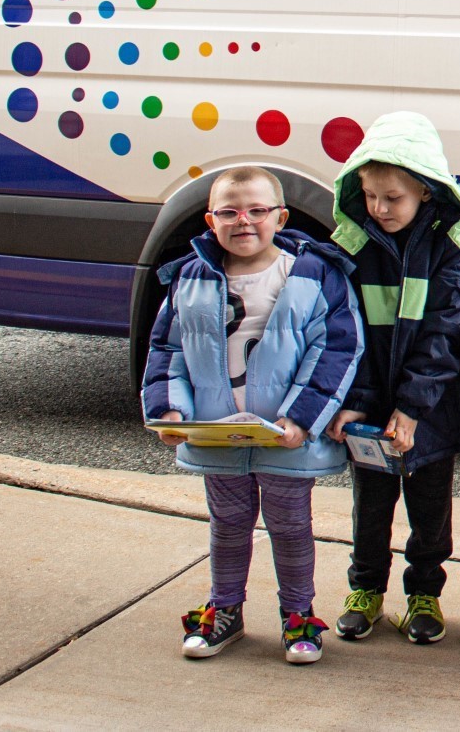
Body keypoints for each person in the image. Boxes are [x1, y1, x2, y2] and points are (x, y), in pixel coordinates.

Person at [142, 166, 363, 664]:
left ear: (280, 216)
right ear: (210, 219)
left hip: (285, 436)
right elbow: (166, 349)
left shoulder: (311, 273)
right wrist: (168, 411)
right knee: (227, 524)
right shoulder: (190, 278)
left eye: (257, 211)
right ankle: (225, 610)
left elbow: (336, 350)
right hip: (219, 435)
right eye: (229, 212)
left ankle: (298, 616)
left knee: (290, 526)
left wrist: (302, 419)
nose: (244, 221)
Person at [325, 111, 460, 646]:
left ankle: (424, 594)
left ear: (425, 190)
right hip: (371, 413)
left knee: (430, 511)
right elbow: (348, 334)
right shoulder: (354, 244)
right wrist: (355, 402)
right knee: (370, 507)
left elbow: (443, 335)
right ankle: (365, 589)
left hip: (432, 409)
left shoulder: (455, 247)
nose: (379, 208)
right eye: (370, 195)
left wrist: (413, 407)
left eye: (393, 197)